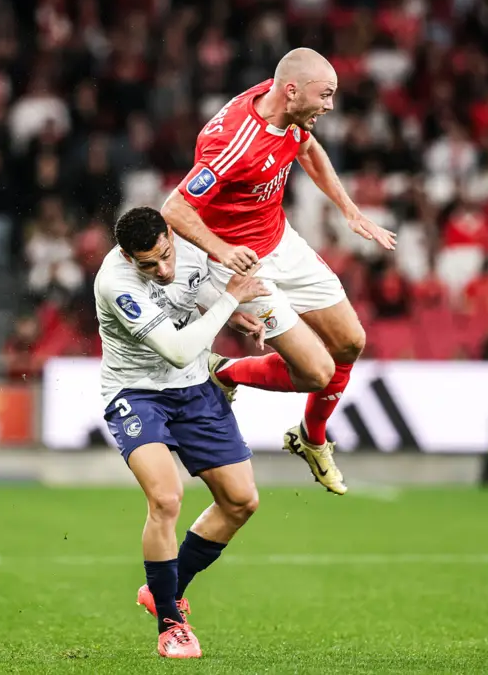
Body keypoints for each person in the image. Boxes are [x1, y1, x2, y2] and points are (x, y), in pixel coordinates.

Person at [162, 48, 397, 495]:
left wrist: (349, 210)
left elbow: (306, 148)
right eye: (324, 95)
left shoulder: (286, 111)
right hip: (245, 267)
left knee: (351, 341)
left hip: (281, 241)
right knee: (316, 373)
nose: (330, 105)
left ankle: (312, 439)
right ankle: (224, 373)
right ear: (292, 91)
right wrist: (221, 250)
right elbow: (174, 208)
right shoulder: (233, 144)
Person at [95, 206, 270, 659]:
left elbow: (193, 288)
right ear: (126, 256)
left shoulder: (190, 246)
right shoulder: (116, 283)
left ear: (171, 235)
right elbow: (175, 350)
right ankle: (171, 626)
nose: (163, 269)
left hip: (193, 389)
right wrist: (230, 301)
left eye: (165, 255)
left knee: (241, 501)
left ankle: (164, 593)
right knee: (167, 498)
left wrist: (227, 311)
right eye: (148, 264)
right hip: (137, 392)